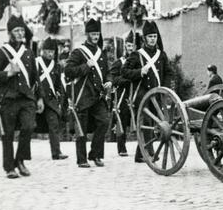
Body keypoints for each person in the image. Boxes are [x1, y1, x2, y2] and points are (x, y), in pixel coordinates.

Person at [0, 15, 38, 179]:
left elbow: (35, 77)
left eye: (22, 30)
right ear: (10, 33)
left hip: (26, 98)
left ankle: (20, 160)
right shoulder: (2, 52)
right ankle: (9, 167)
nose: (20, 33)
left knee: (28, 127)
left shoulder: (28, 52)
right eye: (17, 31)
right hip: (9, 98)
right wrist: (7, 73)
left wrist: (40, 97)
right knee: (7, 134)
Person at [121, 20, 174, 163]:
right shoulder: (137, 55)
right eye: (150, 37)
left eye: (155, 36)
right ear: (144, 39)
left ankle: (140, 154)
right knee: (147, 122)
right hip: (141, 95)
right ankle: (149, 153)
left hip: (156, 95)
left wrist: (165, 88)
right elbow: (124, 72)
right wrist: (139, 72)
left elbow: (169, 73)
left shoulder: (161, 55)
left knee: (151, 123)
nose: (152, 39)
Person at [64, 18, 113, 168]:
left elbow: (108, 72)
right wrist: (86, 66)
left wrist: (109, 81)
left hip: (98, 96)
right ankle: (82, 159)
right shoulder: (78, 52)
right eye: (93, 33)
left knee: (104, 121)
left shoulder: (101, 53)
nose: (96, 36)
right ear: (87, 35)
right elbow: (68, 71)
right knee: (82, 128)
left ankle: (95, 154)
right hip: (83, 96)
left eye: (97, 33)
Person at [35, 37, 68, 160]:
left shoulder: (56, 66)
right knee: (28, 126)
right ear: (42, 51)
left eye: (52, 51)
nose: (50, 53)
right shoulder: (36, 63)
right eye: (47, 51)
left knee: (54, 125)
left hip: (50, 100)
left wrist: (59, 98)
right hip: (36, 99)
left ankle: (56, 152)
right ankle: (23, 152)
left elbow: (58, 85)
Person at [110, 30, 140, 157]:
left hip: (137, 95)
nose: (130, 48)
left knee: (139, 120)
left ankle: (142, 148)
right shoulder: (119, 63)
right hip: (123, 95)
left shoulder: (139, 61)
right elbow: (114, 79)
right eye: (128, 46)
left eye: (132, 46)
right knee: (121, 121)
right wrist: (128, 79)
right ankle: (121, 148)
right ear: (125, 47)